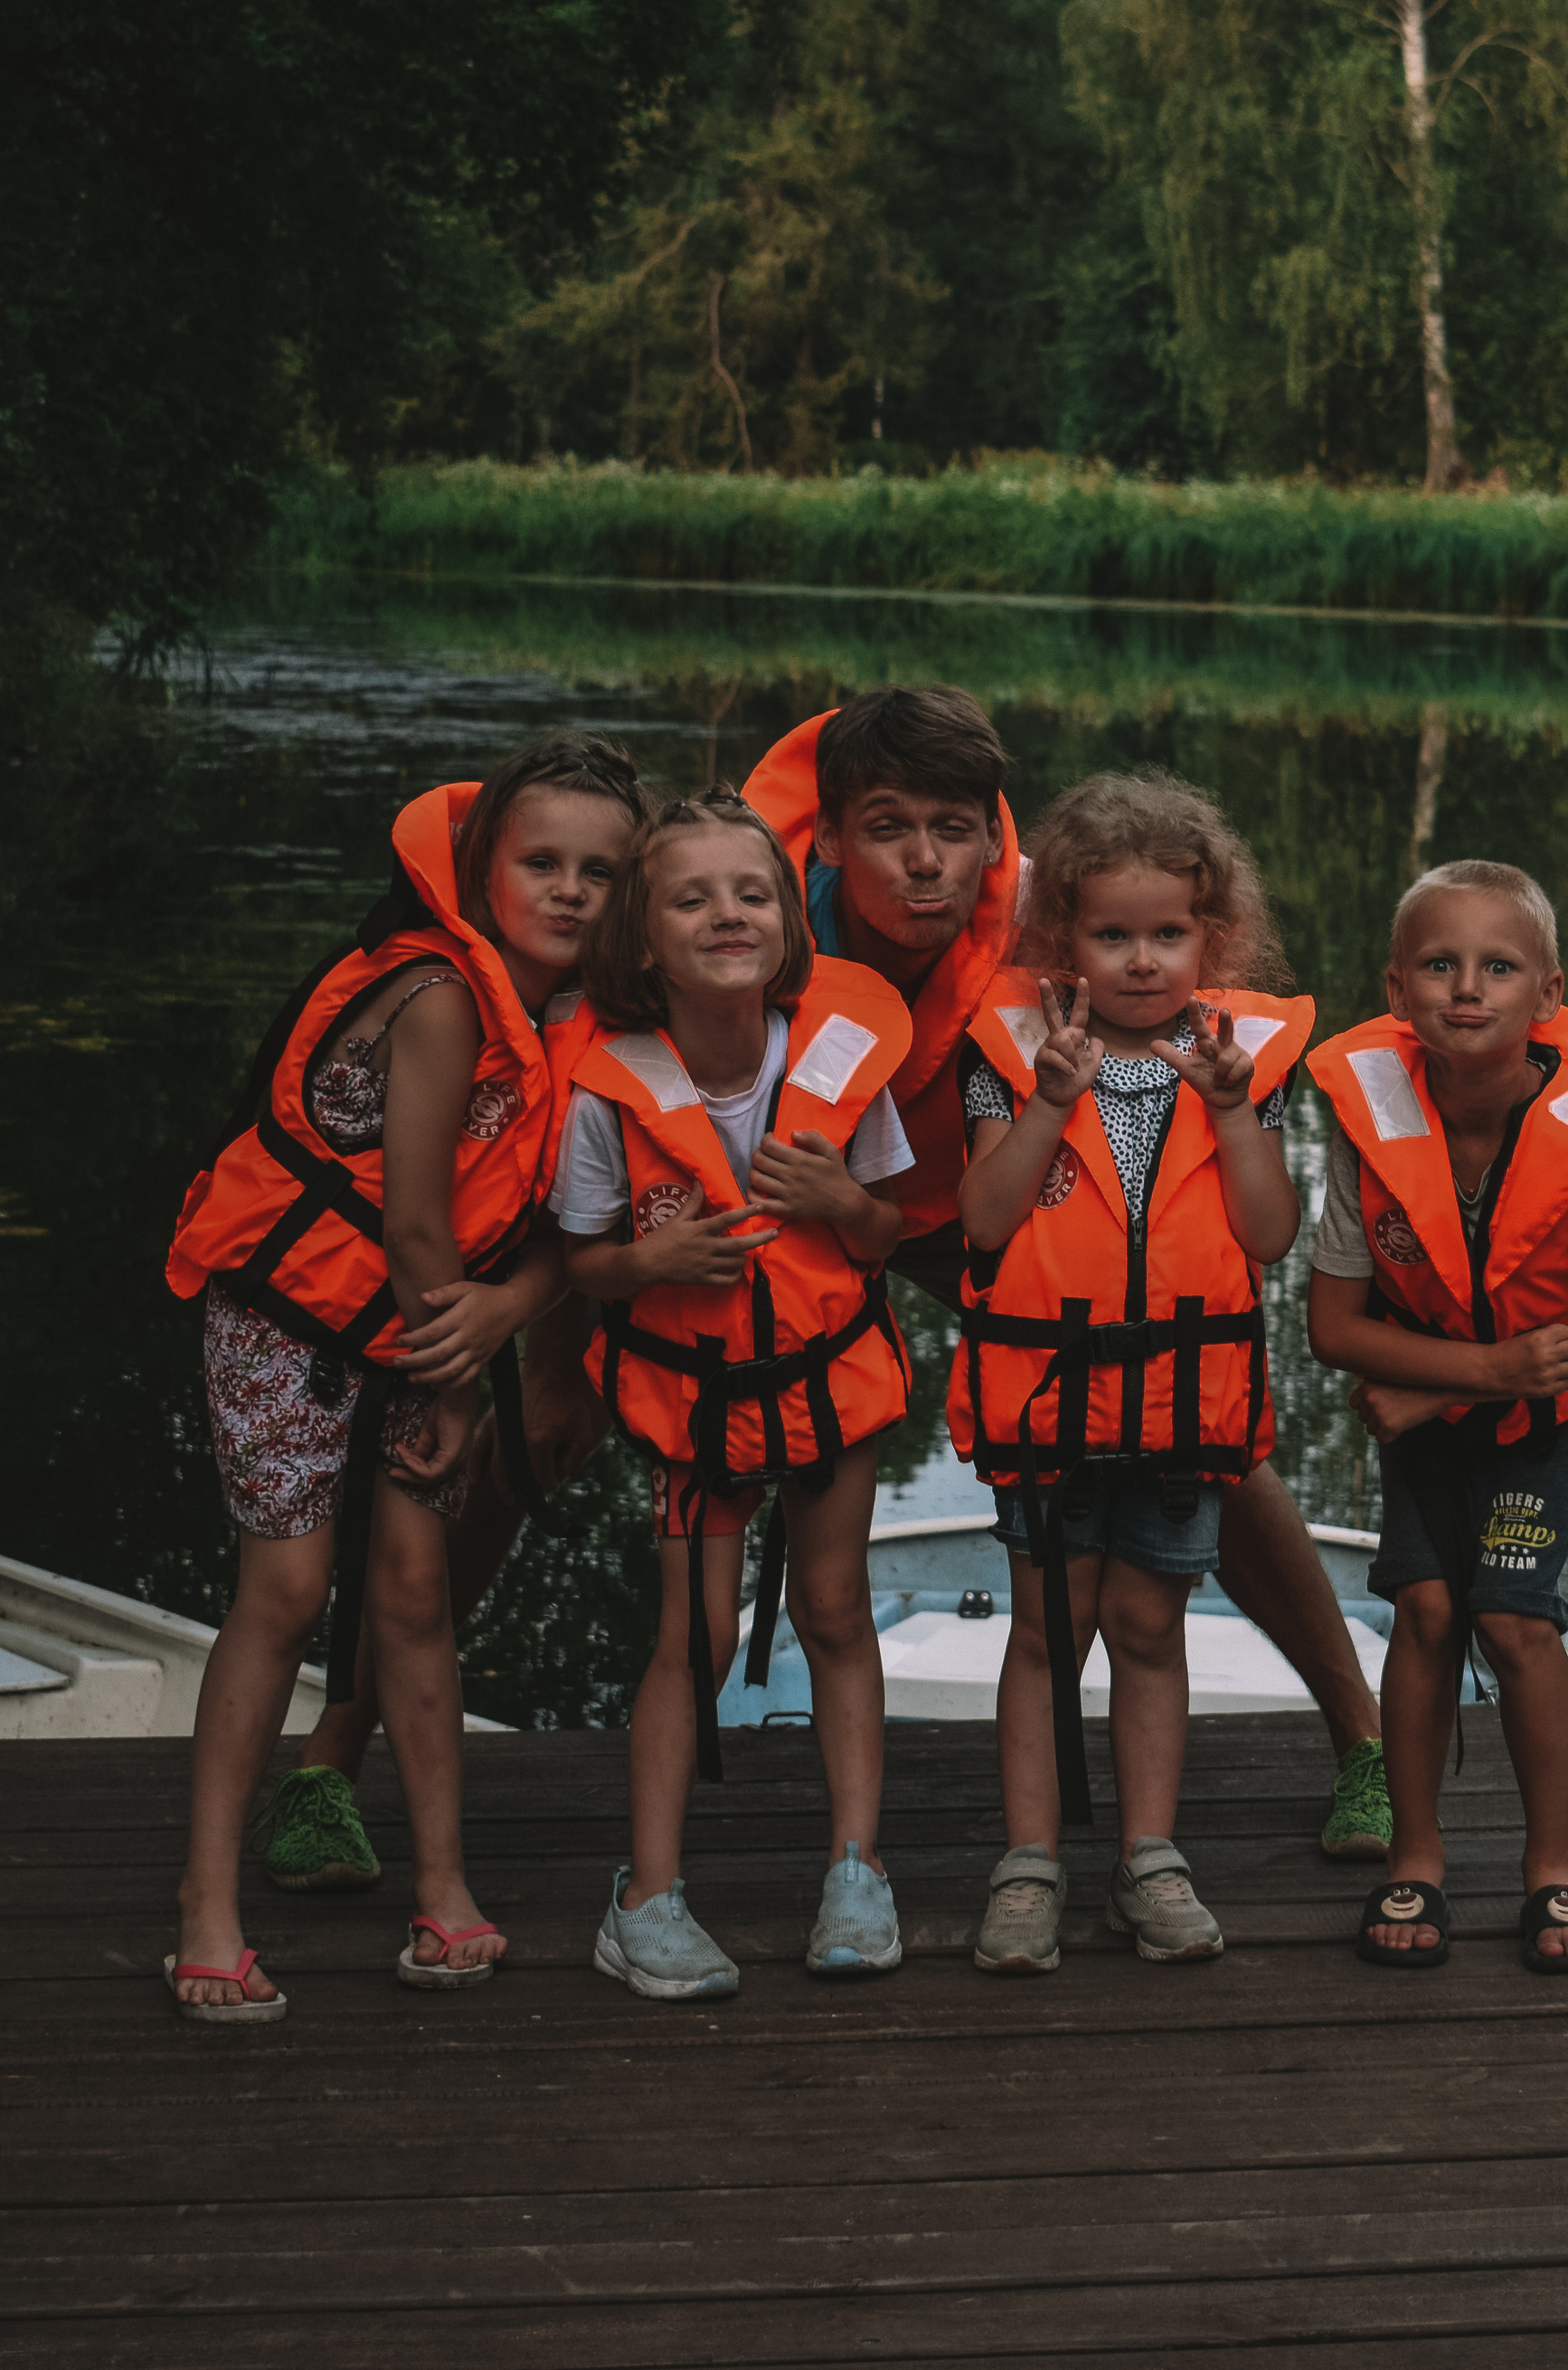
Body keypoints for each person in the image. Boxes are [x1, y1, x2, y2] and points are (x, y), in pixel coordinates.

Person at [745, 691, 1390, 1858]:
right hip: (799, 1186)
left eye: (957, 826)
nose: (925, 858)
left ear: (997, 839)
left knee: (1208, 1430)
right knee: (609, 1390)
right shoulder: (741, 904)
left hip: (994, 1198)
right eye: (889, 828)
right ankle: (343, 1752)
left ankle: (1362, 1737)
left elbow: (1261, 1214)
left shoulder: (1067, 905)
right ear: (834, 836)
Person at [160, 733, 647, 2020]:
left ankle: (444, 1892)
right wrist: (456, 1372)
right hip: (291, 1326)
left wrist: (501, 1316)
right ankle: (206, 1905)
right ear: (481, 865)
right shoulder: (438, 994)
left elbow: (560, 1245)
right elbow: (420, 1225)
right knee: (285, 1589)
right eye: (540, 862)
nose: (571, 892)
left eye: (602, 872)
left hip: (431, 1335)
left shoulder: (573, 1026)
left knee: (416, 1594)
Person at [554, 793, 915, 1999]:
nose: (729, 915)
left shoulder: (843, 1063)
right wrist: (649, 1267)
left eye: (753, 893)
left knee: (834, 1610)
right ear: (642, 938)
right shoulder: (606, 1091)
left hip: (826, 1383)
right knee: (693, 1637)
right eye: (693, 897)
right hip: (694, 1401)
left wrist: (837, 1201)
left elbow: (881, 1237)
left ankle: (856, 1870)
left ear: (787, 921)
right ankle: (645, 1896)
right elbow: (586, 1260)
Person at [1305, 860, 1568, 1974]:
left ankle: (1551, 1863)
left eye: (1497, 966)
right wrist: (1476, 1367)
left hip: (1548, 1417)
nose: (1466, 988)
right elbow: (1335, 1328)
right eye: (1439, 964)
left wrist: (1442, 1381)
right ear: (1396, 988)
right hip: (1452, 1395)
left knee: (1515, 1619)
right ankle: (1413, 1857)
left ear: (1547, 995)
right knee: (1425, 1611)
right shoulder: (1365, 1126)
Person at [952, 772, 1307, 1971]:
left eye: (1168, 935)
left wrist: (1239, 1113)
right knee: (1046, 1631)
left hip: (1178, 1411)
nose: (1144, 960)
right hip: (1050, 1401)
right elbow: (988, 1220)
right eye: (1113, 935)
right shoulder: (1010, 1057)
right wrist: (1052, 1102)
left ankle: (1149, 1858)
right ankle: (1030, 1865)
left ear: (1216, 939)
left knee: (1152, 1626)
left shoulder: (1236, 1061)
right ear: (1064, 940)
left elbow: (1266, 1237)